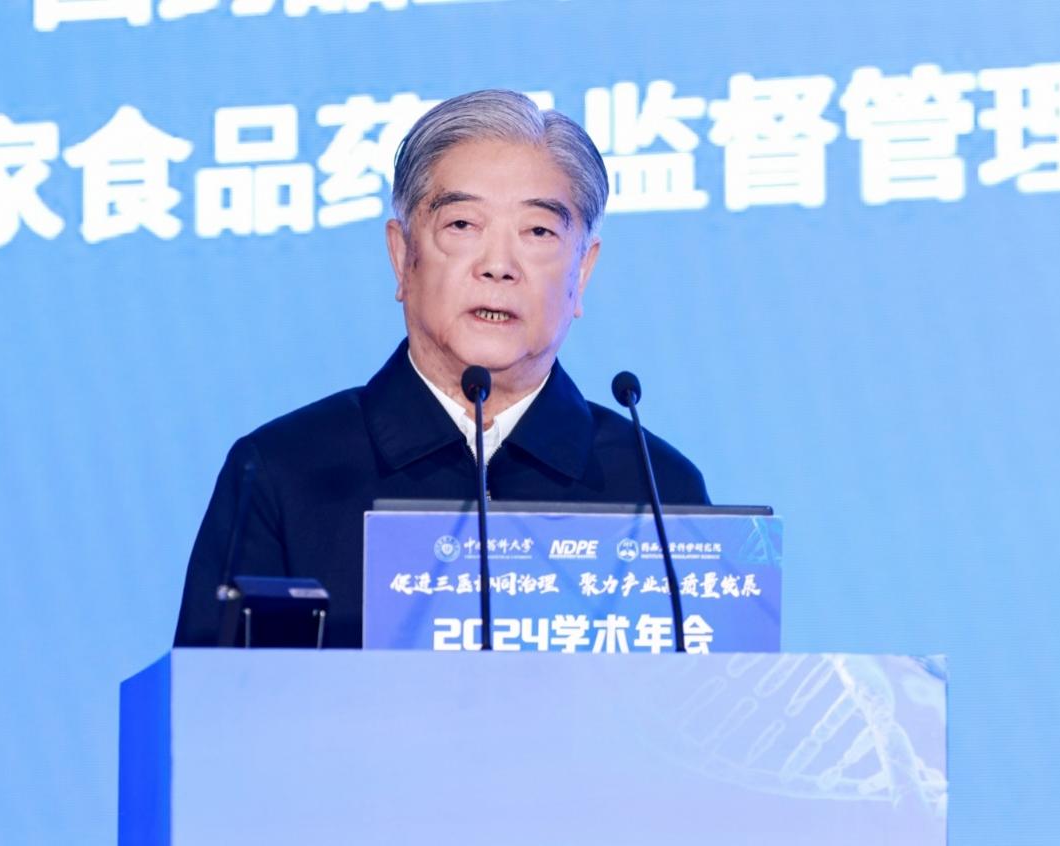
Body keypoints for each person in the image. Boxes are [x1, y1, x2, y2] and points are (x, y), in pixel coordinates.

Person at [174, 89, 710, 649]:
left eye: (538, 232)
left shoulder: (657, 489)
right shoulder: (285, 472)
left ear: (583, 271)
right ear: (402, 256)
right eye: (462, 225)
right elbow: (211, 699)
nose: (498, 266)